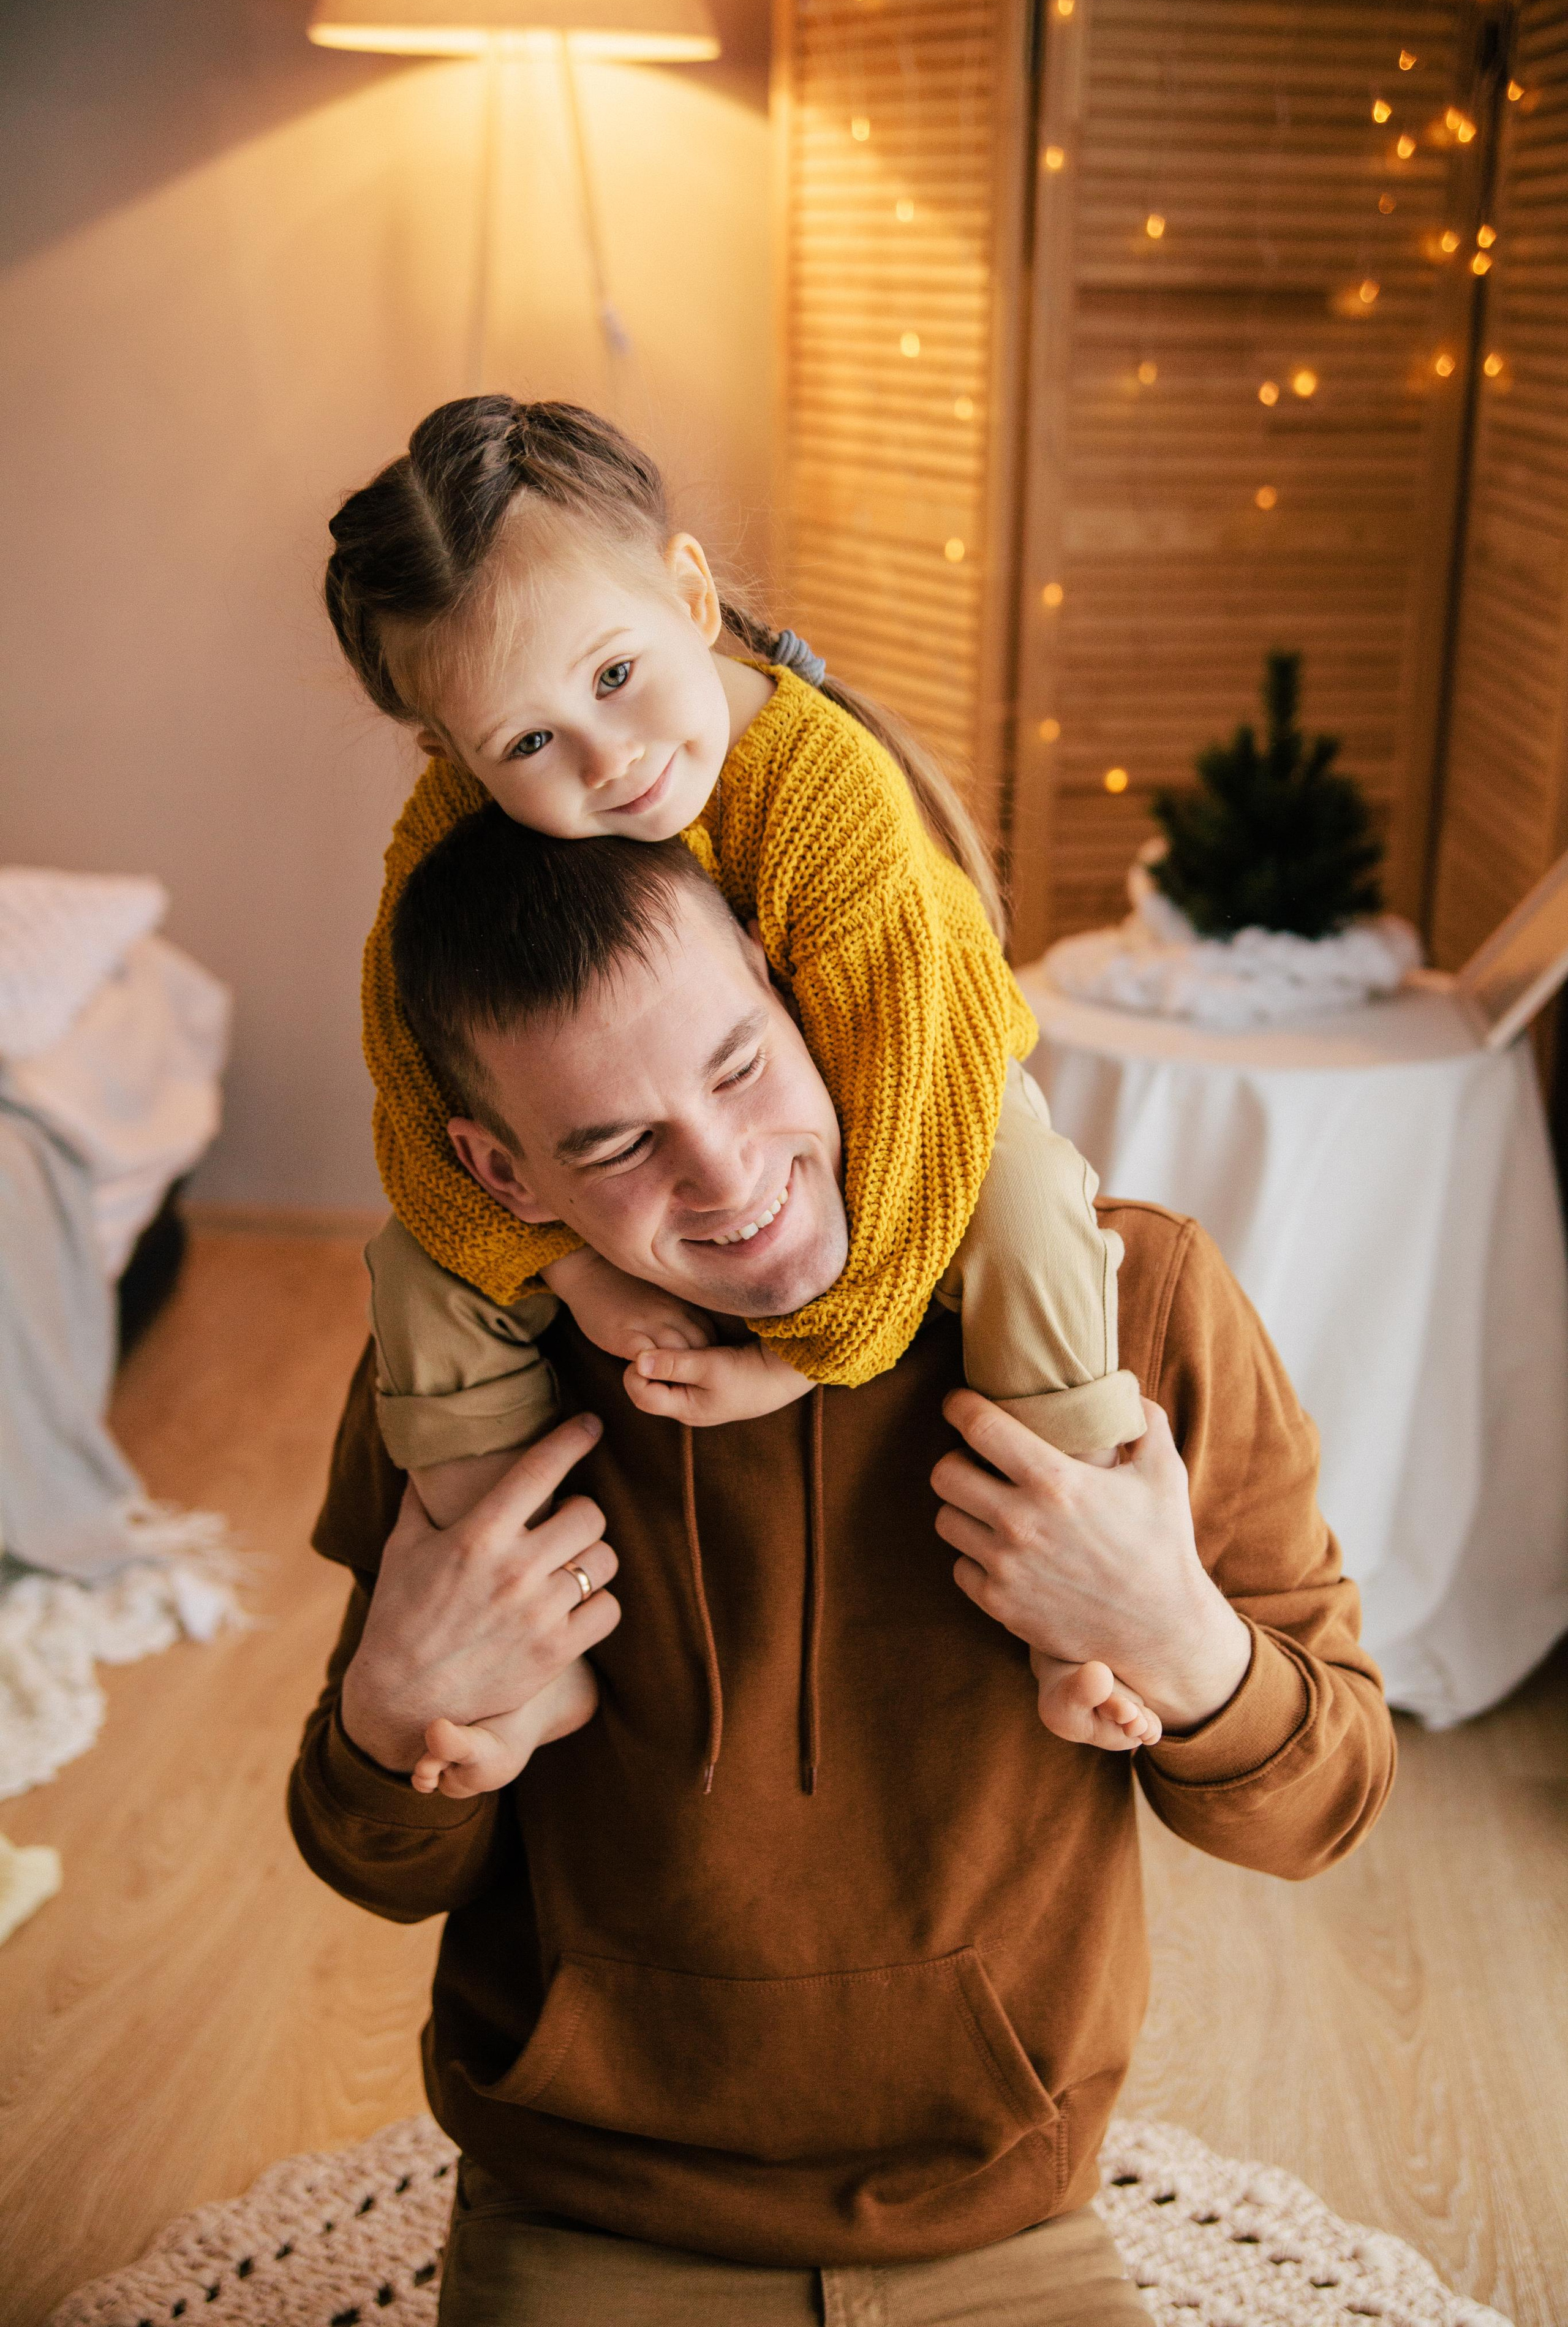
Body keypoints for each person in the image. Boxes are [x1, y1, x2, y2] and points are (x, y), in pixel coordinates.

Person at [287, 820, 1396, 2327]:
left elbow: (1329, 1803)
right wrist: (390, 1711)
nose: (726, 1173)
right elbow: (370, 1863)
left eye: (739, 1067)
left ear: (797, 995)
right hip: (588, 2201)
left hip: (998, 2204)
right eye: (613, 1144)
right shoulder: (470, 1387)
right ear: (501, 1173)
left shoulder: (1130, 1303)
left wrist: (1173, 1638)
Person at [322, 395, 1157, 1788]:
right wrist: (571, 1274)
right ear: (452, 757)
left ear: (691, 596)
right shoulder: (450, 834)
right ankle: (526, 1654)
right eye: (524, 744)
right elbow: (415, 1107)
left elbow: (912, 1127)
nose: (606, 761)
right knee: (421, 1273)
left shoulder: (826, 800)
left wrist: (793, 1360)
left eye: (614, 674)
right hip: (683, 1125)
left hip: (911, 1084)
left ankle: (1083, 1610)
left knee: (1022, 1207)